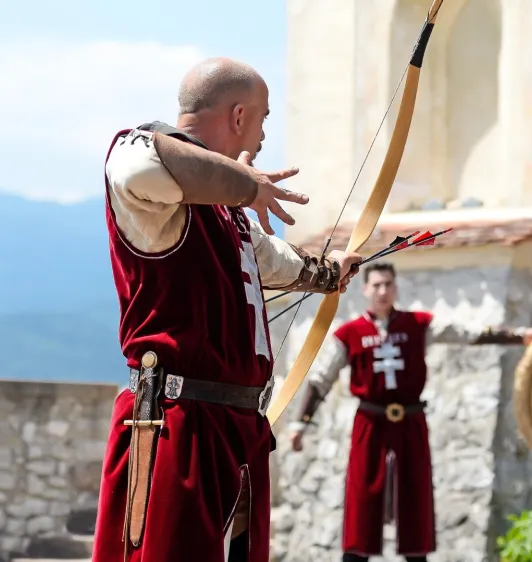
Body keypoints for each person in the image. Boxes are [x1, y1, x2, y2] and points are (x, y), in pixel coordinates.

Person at [92, 57, 364, 562]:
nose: (263, 134)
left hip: (235, 430)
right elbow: (138, 164)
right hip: (178, 423)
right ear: (239, 116)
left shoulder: (226, 210)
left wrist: (330, 272)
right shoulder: (139, 159)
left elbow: (274, 260)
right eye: (261, 118)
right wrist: (247, 185)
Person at [287, 263, 532, 562]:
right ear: (366, 289)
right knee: (362, 500)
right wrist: (301, 424)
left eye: (388, 285)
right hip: (370, 423)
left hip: (411, 421)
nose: (382, 291)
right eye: (377, 285)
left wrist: (521, 336)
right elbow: (321, 379)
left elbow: (468, 333)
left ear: (395, 288)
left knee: (414, 498)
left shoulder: (417, 324)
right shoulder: (349, 333)